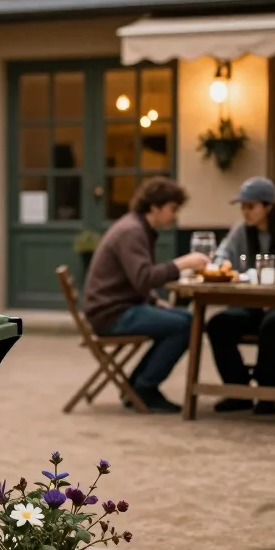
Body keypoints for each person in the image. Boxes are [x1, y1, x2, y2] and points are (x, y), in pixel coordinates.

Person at [83, 177, 209, 413]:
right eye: (172, 209)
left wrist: (153, 301)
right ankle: (144, 388)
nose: (175, 215)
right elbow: (144, 277)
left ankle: (139, 385)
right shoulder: (132, 231)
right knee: (188, 324)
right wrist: (182, 263)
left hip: (116, 307)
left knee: (182, 319)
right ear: (155, 207)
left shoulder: (137, 227)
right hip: (112, 314)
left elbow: (133, 279)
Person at [206, 176, 275, 415]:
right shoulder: (240, 231)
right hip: (253, 303)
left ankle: (268, 390)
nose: (245, 212)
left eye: (251, 206)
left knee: (273, 324)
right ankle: (238, 389)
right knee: (218, 324)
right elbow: (222, 256)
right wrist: (220, 265)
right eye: (242, 206)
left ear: (268, 206)